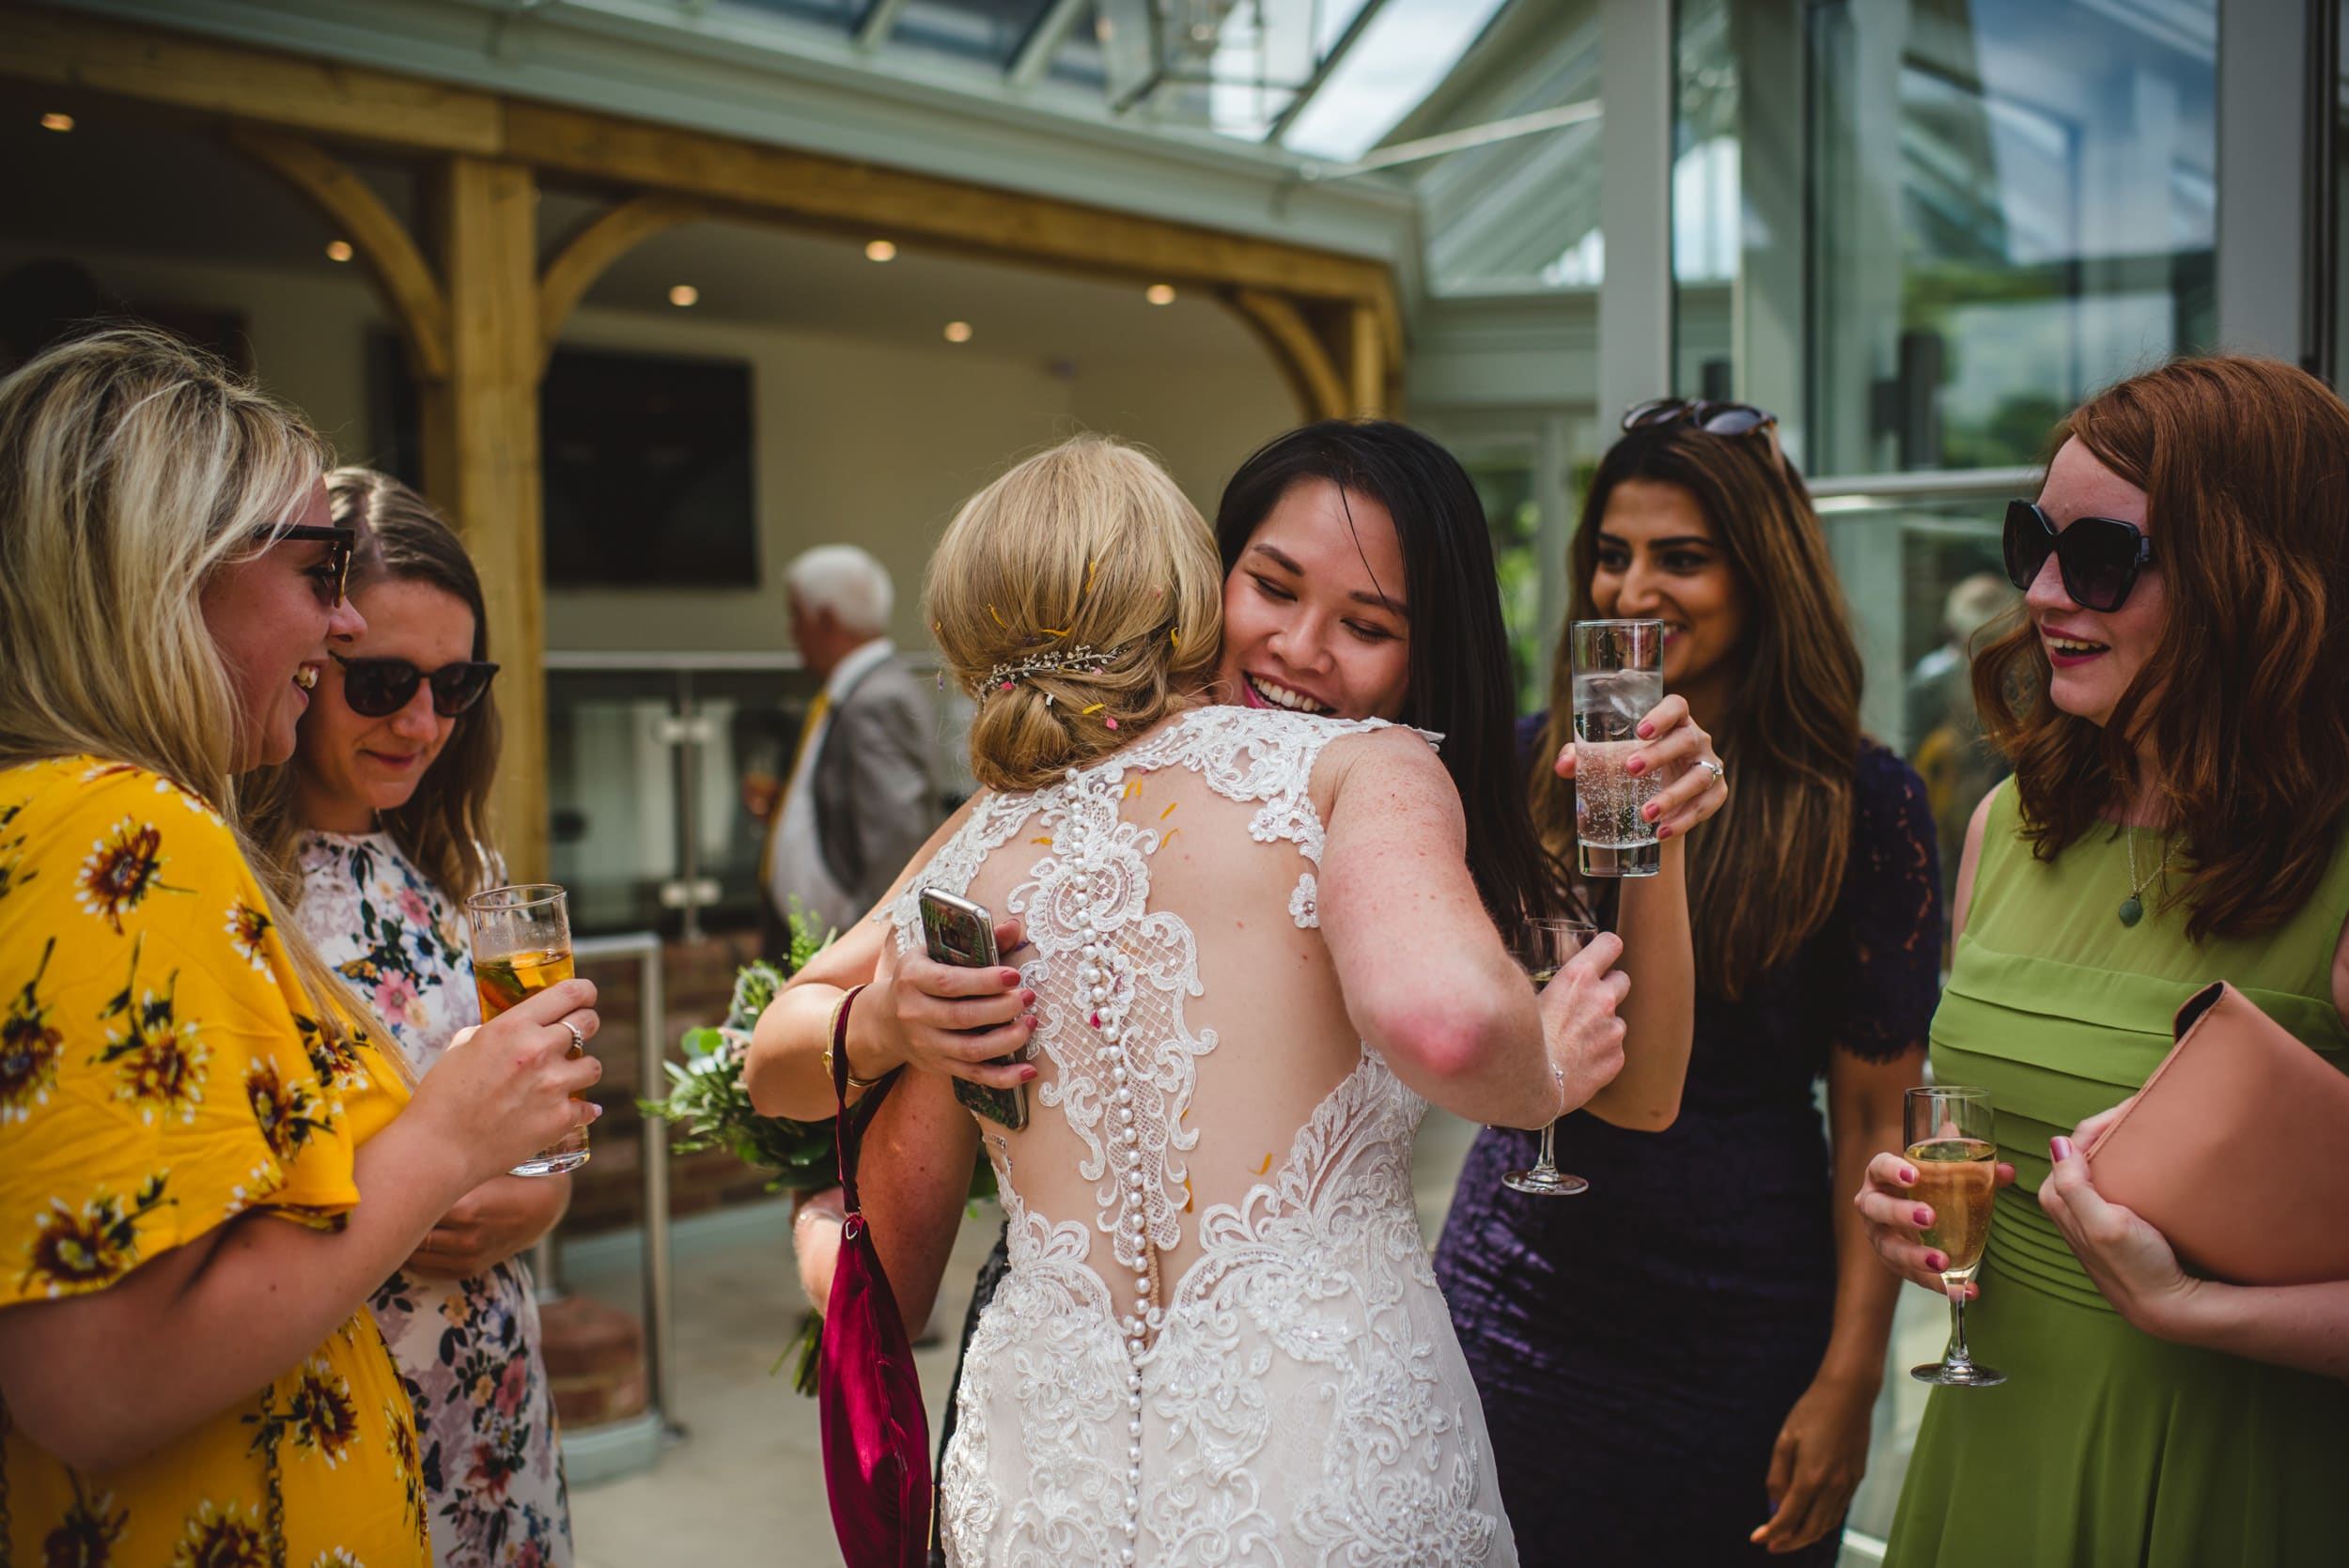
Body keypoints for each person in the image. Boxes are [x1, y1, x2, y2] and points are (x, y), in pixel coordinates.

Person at [748, 421, 1725, 1559]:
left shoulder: (1380, 788)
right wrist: (887, 1022)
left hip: (1066, 1487)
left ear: (1428, 651)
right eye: (1271, 586)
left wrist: (1653, 836)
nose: (1301, 650)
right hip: (1266, 1460)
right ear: (1203, 581)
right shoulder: (1069, 804)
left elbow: (1645, 1092)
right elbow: (1457, 1028)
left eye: (1366, 625)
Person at [0, 327, 599, 1565]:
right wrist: (442, 1140)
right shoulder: (132, 831)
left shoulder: (69, 821)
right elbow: (94, 1380)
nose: (334, 626)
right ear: (171, 565)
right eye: (322, 571)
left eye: (458, 686)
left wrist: (516, 1177)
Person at [1857, 356, 2349, 1565]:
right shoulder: (2007, 825)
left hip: (2220, 1483)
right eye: (2034, 540)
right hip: (1986, 1449)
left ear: (2253, 583)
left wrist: (2191, 1308)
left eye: (2099, 558)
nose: (2038, 591)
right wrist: (1906, 1222)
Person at [1435, 399, 1944, 1564]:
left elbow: (1874, 1115)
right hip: (1517, 1291)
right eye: (1611, 555)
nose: (1631, 589)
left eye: (1683, 558)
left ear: (1762, 575)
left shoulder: (1857, 803)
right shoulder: (1531, 763)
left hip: (1738, 1317)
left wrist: (1850, 1377)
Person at [249, 468, 574, 1565]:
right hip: (334, 1409)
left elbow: (536, 1122)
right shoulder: (228, 878)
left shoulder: (451, 862)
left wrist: (540, 1200)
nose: (422, 721)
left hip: (493, 1404)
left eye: (456, 683)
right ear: (305, 652)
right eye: (382, 679)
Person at [749, 543, 939, 947]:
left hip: (843, 950)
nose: (791, 631)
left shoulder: (875, 698)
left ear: (826, 618)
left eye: (795, 615)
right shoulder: (854, 691)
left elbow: (894, 846)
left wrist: (859, 953)